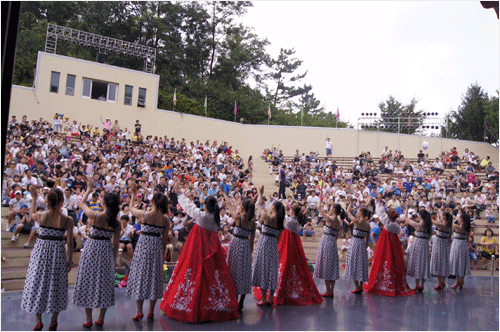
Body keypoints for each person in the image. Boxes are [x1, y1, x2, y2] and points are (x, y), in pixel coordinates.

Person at [160, 179, 240, 323]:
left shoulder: (202, 216)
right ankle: (213, 304)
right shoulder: (216, 219)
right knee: (212, 274)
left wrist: (178, 193)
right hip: (212, 248)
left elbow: (188, 206)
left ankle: (192, 305)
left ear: (205, 205)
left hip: (198, 248)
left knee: (194, 272)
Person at [21, 187, 74, 331]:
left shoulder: (41, 215)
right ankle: (54, 320)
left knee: (38, 284)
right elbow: (69, 243)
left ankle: (38, 321)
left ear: (48, 202)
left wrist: (33, 198)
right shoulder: (67, 220)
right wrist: (69, 261)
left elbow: (31, 214)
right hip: (58, 253)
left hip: (41, 253)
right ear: (62, 201)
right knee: (57, 285)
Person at [73, 177, 121, 328]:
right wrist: (114, 261)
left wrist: (88, 189)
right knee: (104, 284)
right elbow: (115, 244)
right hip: (106, 251)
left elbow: (81, 204)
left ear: (104, 202)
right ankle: (101, 317)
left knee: (88, 282)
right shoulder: (117, 223)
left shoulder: (95, 216)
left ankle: (88, 318)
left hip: (92, 249)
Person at [254, 205, 323, 306]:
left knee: (284, 264)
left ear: (292, 211)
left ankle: (275, 293)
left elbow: (280, 218)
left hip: (287, 242)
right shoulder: (297, 222)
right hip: (294, 243)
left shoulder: (290, 221)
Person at [126, 182, 170, 321]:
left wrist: (133, 194)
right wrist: (162, 256)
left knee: (141, 276)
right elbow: (164, 240)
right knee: (154, 278)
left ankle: (139, 311)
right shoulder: (165, 219)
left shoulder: (145, 215)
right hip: (157, 247)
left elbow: (131, 209)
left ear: (152, 201)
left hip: (144, 246)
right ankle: (151, 311)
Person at [363, 206, 416, 297]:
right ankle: (393, 284)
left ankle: (381, 284)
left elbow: (380, 211)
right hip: (394, 244)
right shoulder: (397, 226)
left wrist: (379, 203)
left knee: (382, 260)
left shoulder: (387, 223)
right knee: (394, 261)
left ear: (389, 216)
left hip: (384, 245)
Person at [251, 185, 285, 306]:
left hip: (264, 244)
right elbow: (278, 238)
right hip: (273, 246)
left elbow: (257, 206)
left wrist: (260, 194)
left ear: (274, 207)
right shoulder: (281, 223)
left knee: (263, 270)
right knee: (271, 271)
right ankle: (270, 298)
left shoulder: (267, 217)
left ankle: (264, 299)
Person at [223, 193, 256, 313]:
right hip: (246, 247)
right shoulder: (252, 223)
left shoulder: (239, 217)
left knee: (234, 271)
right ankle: (241, 302)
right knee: (244, 273)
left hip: (236, 244)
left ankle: (234, 299)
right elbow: (251, 240)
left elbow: (229, 205)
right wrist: (250, 253)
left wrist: (224, 194)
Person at [314, 202, 343, 298]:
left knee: (327, 266)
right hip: (333, 243)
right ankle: (331, 290)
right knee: (332, 267)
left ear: (334, 209)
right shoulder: (338, 222)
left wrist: (320, 197)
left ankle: (328, 290)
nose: (330, 209)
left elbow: (318, 207)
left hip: (326, 242)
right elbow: (336, 236)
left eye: (331, 208)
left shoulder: (329, 220)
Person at [344, 200, 371, 294]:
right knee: (361, 264)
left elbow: (348, 212)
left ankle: (357, 286)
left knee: (354, 263)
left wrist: (350, 203)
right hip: (362, 244)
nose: (357, 212)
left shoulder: (356, 222)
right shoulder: (368, 225)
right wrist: (364, 245)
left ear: (361, 213)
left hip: (355, 243)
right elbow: (367, 240)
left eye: (359, 211)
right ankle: (360, 286)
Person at [404, 209, 432, 291]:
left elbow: (406, 219)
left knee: (417, 264)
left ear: (420, 216)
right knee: (423, 264)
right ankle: (422, 285)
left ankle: (417, 285)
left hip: (418, 245)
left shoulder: (418, 225)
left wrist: (407, 208)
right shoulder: (428, 227)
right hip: (425, 246)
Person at [430, 212, 453, 290]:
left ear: (445, 217)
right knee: (444, 262)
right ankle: (442, 282)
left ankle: (440, 282)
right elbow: (449, 239)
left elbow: (432, 221)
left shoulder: (441, 225)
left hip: (439, 244)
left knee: (438, 262)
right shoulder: (450, 227)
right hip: (445, 244)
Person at [449, 213, 472, 289]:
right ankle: (461, 280)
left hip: (457, 245)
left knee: (457, 262)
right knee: (462, 263)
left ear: (462, 219)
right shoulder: (467, 228)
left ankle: (457, 281)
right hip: (464, 245)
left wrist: (454, 219)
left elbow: (450, 223)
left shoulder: (458, 227)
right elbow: (468, 239)